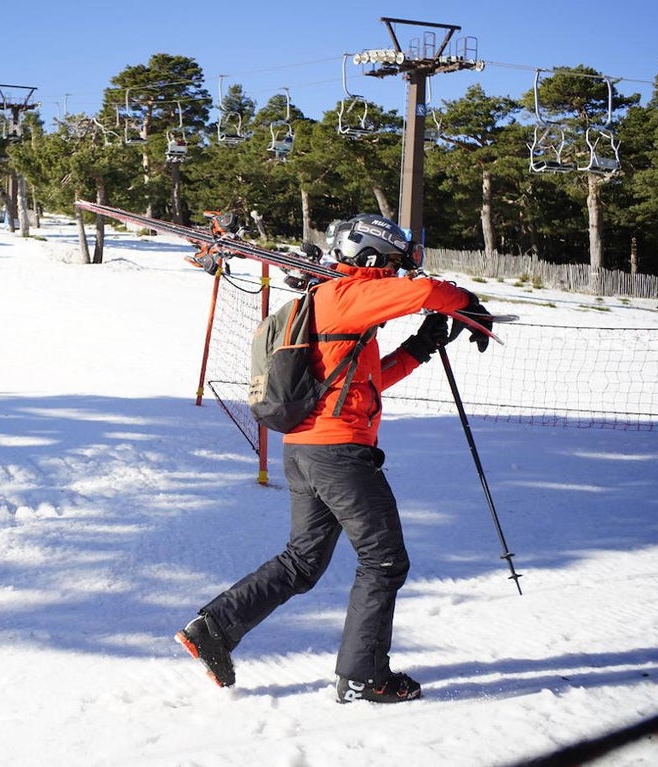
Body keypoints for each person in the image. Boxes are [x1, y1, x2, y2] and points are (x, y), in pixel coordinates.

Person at [175, 213, 494, 704]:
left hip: (305, 450)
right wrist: (469, 305)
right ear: (370, 258)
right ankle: (366, 676)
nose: (397, 273)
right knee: (384, 561)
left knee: (302, 561)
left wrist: (421, 345)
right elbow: (430, 292)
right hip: (338, 453)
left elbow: (365, 382)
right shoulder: (350, 294)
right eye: (392, 263)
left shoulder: (335, 305)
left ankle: (214, 627)